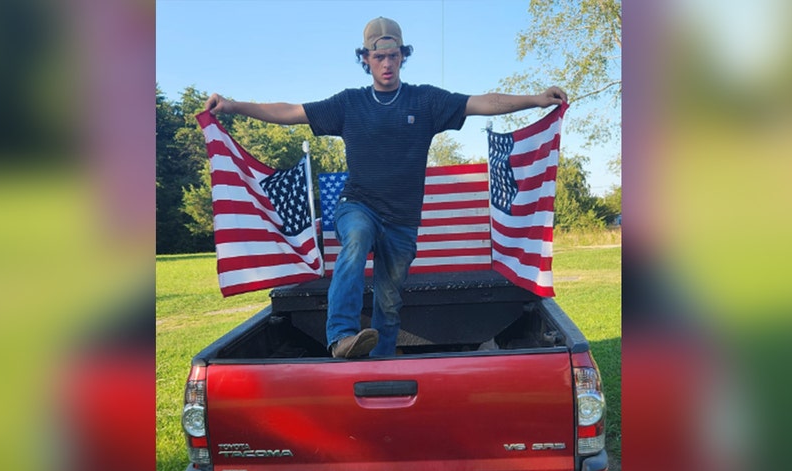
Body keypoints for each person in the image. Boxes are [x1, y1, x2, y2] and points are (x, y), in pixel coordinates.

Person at [205, 16, 567, 359]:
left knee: (390, 300)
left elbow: (483, 102)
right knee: (357, 238)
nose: (387, 63)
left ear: (403, 56)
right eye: (378, 57)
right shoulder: (349, 103)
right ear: (366, 59)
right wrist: (233, 106)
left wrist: (536, 99)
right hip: (357, 205)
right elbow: (290, 112)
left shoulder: (426, 101)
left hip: (402, 221)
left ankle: (380, 361)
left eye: (394, 56)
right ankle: (341, 336)